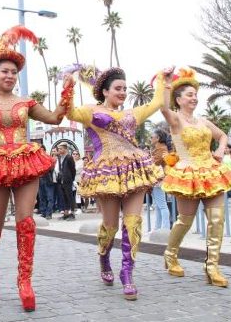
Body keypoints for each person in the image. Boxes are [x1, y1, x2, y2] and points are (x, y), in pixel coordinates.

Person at [0, 25, 69, 312]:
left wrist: (67, 90)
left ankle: (25, 282)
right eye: (4, 71)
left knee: (26, 223)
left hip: (24, 163)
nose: (9, 76)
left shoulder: (27, 102)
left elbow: (56, 118)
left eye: (13, 72)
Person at [63, 64, 173, 300]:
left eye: (125, 88)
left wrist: (163, 79)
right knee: (110, 226)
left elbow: (156, 103)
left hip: (134, 170)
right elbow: (70, 112)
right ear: (105, 91)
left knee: (133, 223)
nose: (123, 92)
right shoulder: (91, 111)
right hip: (107, 173)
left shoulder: (132, 114)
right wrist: (68, 83)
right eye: (118, 88)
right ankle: (104, 258)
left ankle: (127, 272)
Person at [160, 67, 231, 287]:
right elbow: (163, 107)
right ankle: (170, 254)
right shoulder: (175, 120)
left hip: (211, 171)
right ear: (179, 99)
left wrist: (221, 150)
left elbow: (222, 135)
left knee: (216, 219)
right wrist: (166, 82)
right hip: (187, 172)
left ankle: (212, 267)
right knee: (185, 220)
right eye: (189, 95)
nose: (194, 98)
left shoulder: (203, 121)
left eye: (195, 94)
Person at [150, 129, 172, 230]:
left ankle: (165, 229)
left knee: (162, 205)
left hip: (159, 180)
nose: (150, 139)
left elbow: (155, 164)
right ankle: (158, 228)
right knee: (159, 206)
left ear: (158, 138)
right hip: (158, 180)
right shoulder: (160, 149)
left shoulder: (161, 149)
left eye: (152, 137)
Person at [56, 142, 76, 220]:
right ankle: (66, 213)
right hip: (61, 180)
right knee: (64, 197)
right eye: (59, 149)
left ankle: (72, 213)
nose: (59, 150)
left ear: (65, 149)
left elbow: (73, 170)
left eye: (61, 149)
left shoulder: (69, 157)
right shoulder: (60, 157)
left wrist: (71, 179)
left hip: (68, 180)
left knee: (69, 196)